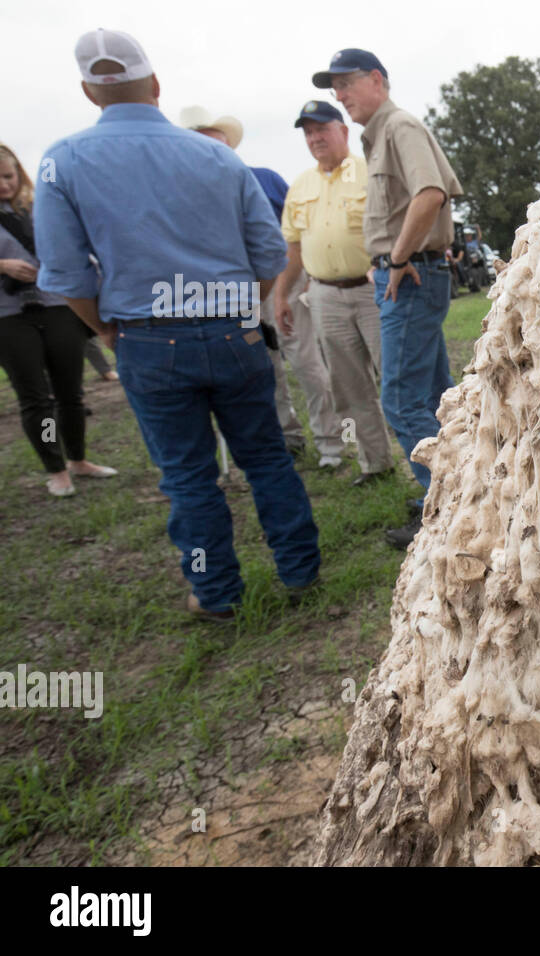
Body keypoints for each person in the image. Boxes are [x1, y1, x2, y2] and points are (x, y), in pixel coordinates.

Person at [35, 29, 319, 620]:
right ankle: (300, 567)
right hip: (232, 330)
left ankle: (214, 590)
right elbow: (268, 256)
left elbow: (64, 274)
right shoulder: (218, 155)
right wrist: (239, 306)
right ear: (156, 85)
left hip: (146, 337)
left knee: (188, 477)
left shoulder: (64, 161)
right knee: (265, 457)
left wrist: (106, 330)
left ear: (89, 92)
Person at [312, 48, 464, 548]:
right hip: (411, 274)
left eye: (348, 84)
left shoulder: (398, 127)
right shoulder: (381, 134)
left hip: (409, 276)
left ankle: (444, 508)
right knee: (437, 396)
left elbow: (430, 194)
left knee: (399, 400)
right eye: (334, 88)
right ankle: (461, 493)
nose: (340, 96)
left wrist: (397, 260)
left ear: (377, 79)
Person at [179, 105, 344, 469]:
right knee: (263, 365)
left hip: (282, 281)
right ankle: (288, 436)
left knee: (305, 360)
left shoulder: (265, 179)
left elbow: (301, 232)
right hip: (235, 295)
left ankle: (331, 442)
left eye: (218, 143)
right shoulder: (188, 198)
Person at [275, 100, 392, 486]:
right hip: (323, 296)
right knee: (347, 386)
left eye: (321, 129)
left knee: (395, 378)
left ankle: (432, 461)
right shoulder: (300, 186)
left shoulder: (370, 170)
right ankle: (374, 464)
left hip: (372, 292)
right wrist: (280, 296)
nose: (315, 138)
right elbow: (293, 248)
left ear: (342, 130)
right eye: (308, 132)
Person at [0, 141, 117, 497]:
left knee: (71, 392)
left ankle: (79, 460)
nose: (4, 185)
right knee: (36, 397)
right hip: (10, 317)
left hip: (57, 308)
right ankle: (56, 468)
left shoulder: (39, 210)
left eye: (8, 176)